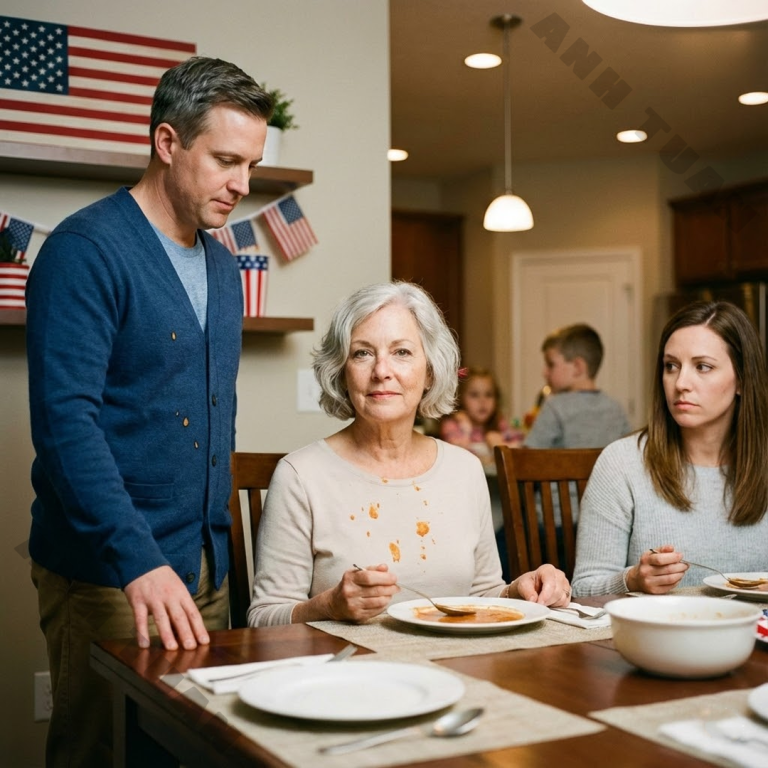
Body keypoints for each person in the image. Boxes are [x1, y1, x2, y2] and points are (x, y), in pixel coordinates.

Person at [26, 57, 273, 767]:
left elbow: (206, 416)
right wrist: (138, 561)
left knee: (194, 750)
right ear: (168, 143)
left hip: (205, 567)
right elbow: (65, 426)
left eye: (251, 164)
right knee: (101, 751)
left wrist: (215, 562)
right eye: (226, 160)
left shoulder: (225, 266)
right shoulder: (85, 251)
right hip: (112, 572)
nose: (243, 185)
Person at [248, 282, 571, 628]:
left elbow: (481, 595)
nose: (381, 370)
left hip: (456, 668)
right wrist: (328, 605)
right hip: (347, 672)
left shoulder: (465, 470)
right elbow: (263, 619)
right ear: (342, 372)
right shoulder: (300, 475)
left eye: (401, 352)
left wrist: (517, 591)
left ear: (430, 371)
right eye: (362, 353)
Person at [571, 301, 768, 597]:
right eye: (671, 366)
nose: (681, 383)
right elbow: (583, 589)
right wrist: (632, 580)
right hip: (655, 640)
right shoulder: (621, 463)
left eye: (702, 367)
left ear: (741, 379)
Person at [524, 323, 630, 449]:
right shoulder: (615, 408)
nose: (544, 372)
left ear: (577, 367)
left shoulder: (555, 408)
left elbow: (526, 458)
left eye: (551, 365)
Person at [440, 367, 524, 469]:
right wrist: (467, 430)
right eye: (474, 395)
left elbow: (523, 447)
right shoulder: (453, 424)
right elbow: (456, 455)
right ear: (461, 398)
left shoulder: (499, 423)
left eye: (488, 395)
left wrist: (501, 445)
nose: (482, 401)